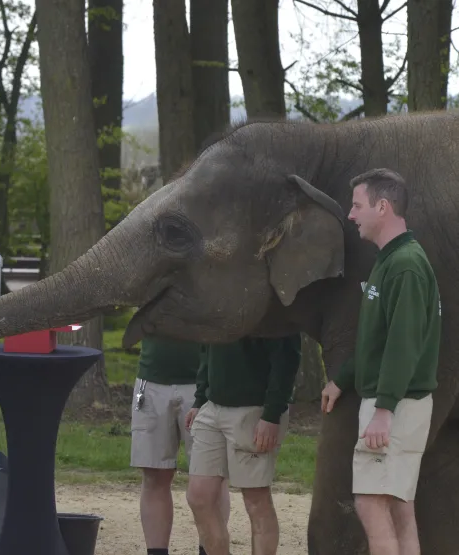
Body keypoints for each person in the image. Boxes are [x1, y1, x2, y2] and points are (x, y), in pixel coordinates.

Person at [321, 168, 441, 555]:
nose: (351, 214)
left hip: (396, 405)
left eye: (357, 205)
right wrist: (342, 379)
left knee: (371, 505)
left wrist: (385, 409)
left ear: (383, 206)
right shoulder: (391, 261)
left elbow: (404, 344)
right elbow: (378, 338)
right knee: (399, 508)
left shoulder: (404, 265)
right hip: (400, 403)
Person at [185, 335, 301, 555]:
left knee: (255, 500)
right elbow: (207, 348)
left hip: (254, 409)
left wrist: (272, 413)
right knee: (198, 496)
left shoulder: (270, 305)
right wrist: (200, 399)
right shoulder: (215, 303)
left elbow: (286, 357)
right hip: (213, 407)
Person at [130, 337, 230, 555]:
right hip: (152, 378)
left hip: (206, 381)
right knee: (154, 474)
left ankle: (210, 551)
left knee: (211, 478)